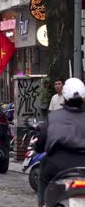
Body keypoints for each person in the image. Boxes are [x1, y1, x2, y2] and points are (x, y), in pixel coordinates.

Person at [35, 78, 85, 207]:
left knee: (43, 173)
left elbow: (41, 144)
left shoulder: (53, 117)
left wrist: (38, 146)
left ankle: (43, 204)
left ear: (65, 97)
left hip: (57, 166)